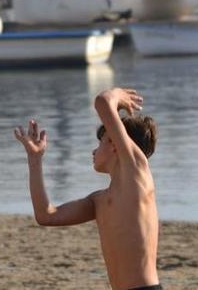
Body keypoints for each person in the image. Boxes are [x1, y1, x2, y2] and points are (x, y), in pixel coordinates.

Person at [14, 88, 160, 290]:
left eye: (100, 142)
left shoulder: (137, 174)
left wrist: (118, 96)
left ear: (114, 144)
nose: (94, 150)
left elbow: (102, 101)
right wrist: (35, 159)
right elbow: (45, 215)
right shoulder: (98, 200)